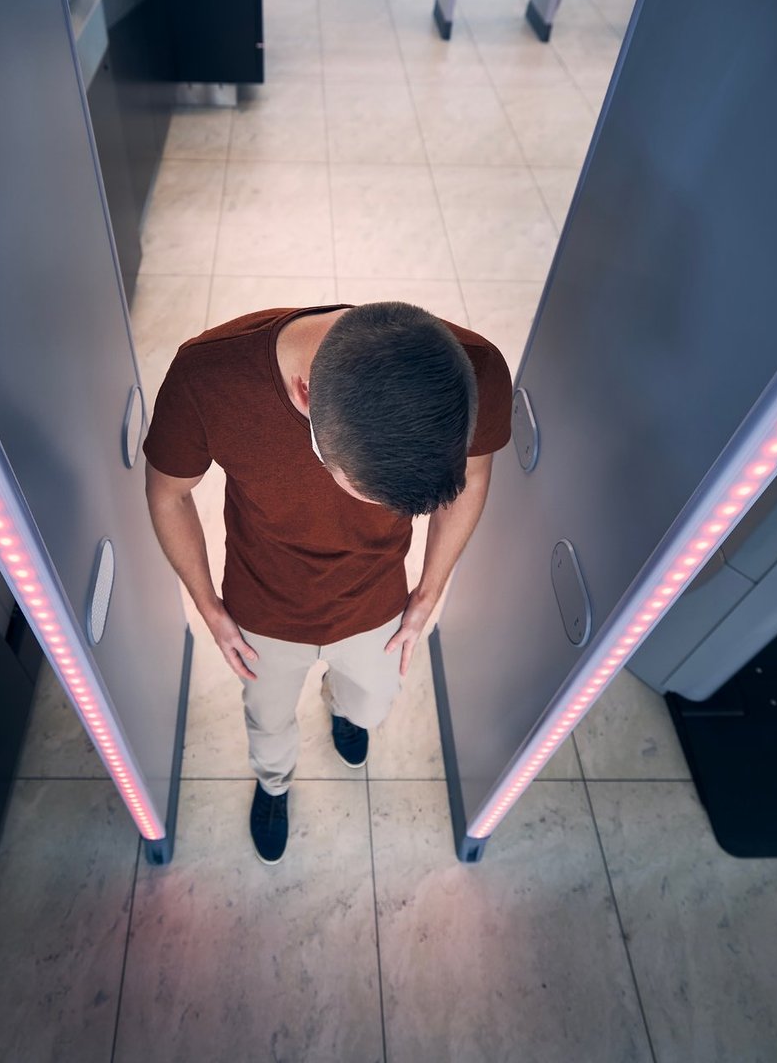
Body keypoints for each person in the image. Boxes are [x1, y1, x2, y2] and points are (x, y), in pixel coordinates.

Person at [142, 302, 512, 863]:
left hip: (378, 601)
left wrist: (429, 591)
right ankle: (273, 785)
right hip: (262, 607)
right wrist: (209, 608)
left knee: (370, 703)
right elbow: (168, 491)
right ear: (305, 396)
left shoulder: (478, 372)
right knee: (266, 720)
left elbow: (475, 474)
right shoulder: (207, 375)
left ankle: (340, 705)